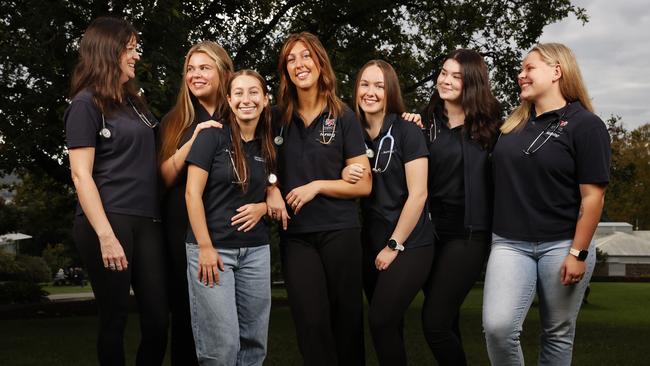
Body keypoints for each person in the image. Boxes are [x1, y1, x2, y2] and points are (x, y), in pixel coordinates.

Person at [482, 43, 610, 365]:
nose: (520, 75)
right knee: (497, 328)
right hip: (510, 242)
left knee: (556, 333)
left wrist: (578, 253)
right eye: (521, 70)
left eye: (529, 68)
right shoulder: (510, 126)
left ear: (557, 71)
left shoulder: (586, 125)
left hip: (563, 244)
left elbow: (593, 196)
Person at [65, 16, 168, 365]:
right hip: (108, 222)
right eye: (130, 48)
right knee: (115, 319)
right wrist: (106, 236)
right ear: (110, 51)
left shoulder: (135, 104)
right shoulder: (85, 104)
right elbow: (81, 176)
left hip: (148, 220)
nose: (136, 55)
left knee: (157, 319)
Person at [272, 32, 372, 366]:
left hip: (340, 231)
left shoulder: (342, 116)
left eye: (305, 56)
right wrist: (272, 187)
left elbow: (362, 185)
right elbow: (259, 165)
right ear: (286, 70)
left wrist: (317, 185)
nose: (299, 64)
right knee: (310, 322)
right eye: (291, 59)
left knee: (347, 321)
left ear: (319, 62)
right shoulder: (275, 117)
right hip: (297, 236)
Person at [184, 69, 279, 365]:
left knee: (254, 344)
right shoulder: (212, 136)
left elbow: (274, 187)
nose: (246, 99)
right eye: (238, 93)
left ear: (265, 100)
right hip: (214, 250)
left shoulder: (270, 143)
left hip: (256, 252)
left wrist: (265, 206)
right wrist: (205, 247)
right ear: (229, 99)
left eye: (254, 92)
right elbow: (191, 194)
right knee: (222, 346)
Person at [343, 60, 434, 365]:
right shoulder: (350, 132)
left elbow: (418, 194)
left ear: (390, 90)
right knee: (388, 327)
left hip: (410, 242)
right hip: (370, 242)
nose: (370, 92)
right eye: (365, 85)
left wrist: (394, 244)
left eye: (379, 86)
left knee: (380, 319)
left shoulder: (408, 129)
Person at [420, 49, 501, 365]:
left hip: (469, 235)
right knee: (448, 320)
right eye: (443, 72)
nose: (446, 80)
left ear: (472, 82)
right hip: (428, 234)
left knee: (434, 322)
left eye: (456, 76)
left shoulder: (493, 130)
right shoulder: (424, 122)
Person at [158, 41, 233, 365]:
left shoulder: (241, 113)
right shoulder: (174, 121)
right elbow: (162, 178)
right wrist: (194, 140)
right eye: (190, 68)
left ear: (223, 72)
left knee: (232, 317)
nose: (195, 75)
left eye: (204, 68)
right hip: (181, 229)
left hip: (230, 227)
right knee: (187, 313)